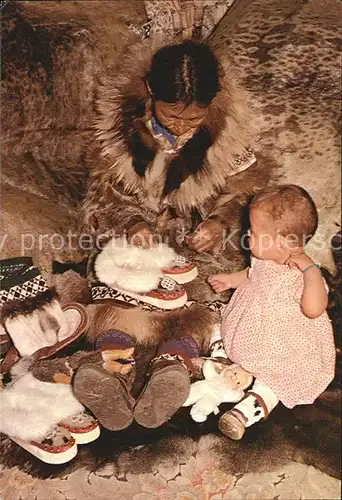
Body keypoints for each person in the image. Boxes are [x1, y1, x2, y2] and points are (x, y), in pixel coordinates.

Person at [83, 39, 261, 254]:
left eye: (194, 119)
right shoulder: (120, 132)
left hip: (204, 251)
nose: (180, 127)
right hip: (138, 247)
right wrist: (132, 224)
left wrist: (220, 223)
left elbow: (248, 196)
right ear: (150, 89)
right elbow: (105, 199)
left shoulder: (228, 139)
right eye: (171, 116)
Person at [208, 184, 336, 440]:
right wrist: (232, 280)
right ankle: (223, 360)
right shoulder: (264, 259)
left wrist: (311, 272)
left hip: (283, 344)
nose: (247, 235)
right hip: (253, 324)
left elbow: (314, 309)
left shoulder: (303, 275)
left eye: (254, 232)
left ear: (283, 243)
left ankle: (251, 407)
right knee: (215, 325)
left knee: (278, 377)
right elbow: (253, 276)